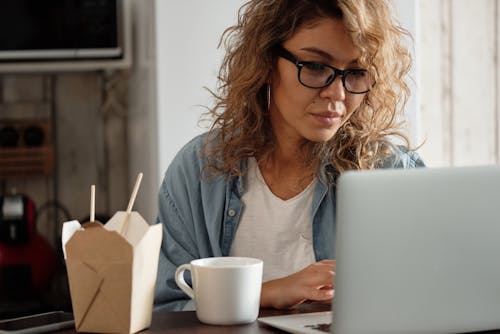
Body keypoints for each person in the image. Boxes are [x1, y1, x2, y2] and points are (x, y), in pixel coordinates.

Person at [154, 0, 424, 312]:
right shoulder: (199, 170)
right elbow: (168, 307)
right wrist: (267, 293)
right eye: (315, 67)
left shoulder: (391, 174)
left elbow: (420, 303)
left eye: (357, 72)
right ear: (267, 63)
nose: (337, 93)